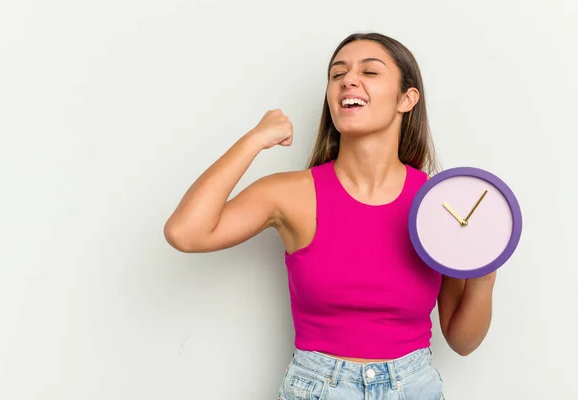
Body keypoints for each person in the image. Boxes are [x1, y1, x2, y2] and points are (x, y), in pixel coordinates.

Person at [164, 32, 496, 400]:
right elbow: (186, 233)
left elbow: (462, 341)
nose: (348, 80)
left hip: (414, 386)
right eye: (338, 74)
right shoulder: (290, 194)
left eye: (370, 72)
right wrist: (255, 139)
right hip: (318, 387)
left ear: (407, 98)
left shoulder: (439, 202)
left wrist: (484, 275)